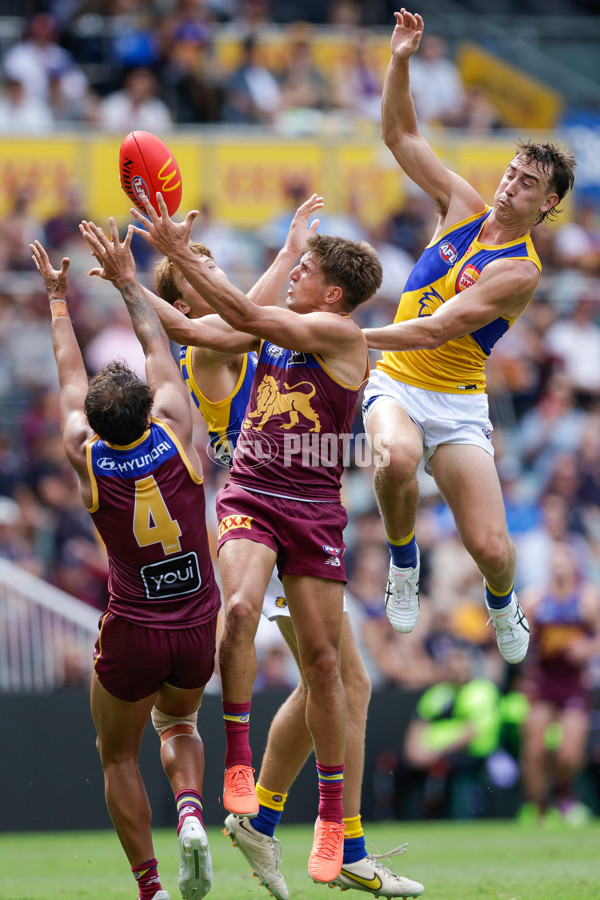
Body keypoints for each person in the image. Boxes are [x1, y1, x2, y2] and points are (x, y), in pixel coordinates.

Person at [89, 196, 423, 897]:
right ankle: (280, 806)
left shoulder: (301, 327)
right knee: (270, 635)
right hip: (250, 490)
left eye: (304, 267)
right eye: (207, 265)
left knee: (331, 673)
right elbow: (213, 317)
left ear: (327, 292)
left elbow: (237, 310)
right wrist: (138, 272)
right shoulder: (240, 334)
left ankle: (309, 824)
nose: (288, 270)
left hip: (309, 502)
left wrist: (161, 266)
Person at [361, 10, 576, 665]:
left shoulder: (519, 271)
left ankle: (504, 604)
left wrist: (344, 337)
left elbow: (440, 328)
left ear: (546, 205)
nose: (510, 185)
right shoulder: (461, 205)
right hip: (396, 384)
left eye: (527, 184)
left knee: (492, 549)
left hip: (457, 404)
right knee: (394, 459)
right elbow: (400, 134)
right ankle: (405, 566)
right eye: (511, 172)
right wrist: (399, 59)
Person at [30, 225, 222, 900]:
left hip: (133, 629)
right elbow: (156, 343)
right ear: (147, 406)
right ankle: (193, 814)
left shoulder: (87, 455)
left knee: (115, 754)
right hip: (199, 623)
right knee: (181, 724)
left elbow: (68, 374)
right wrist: (125, 277)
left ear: (95, 417)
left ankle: (151, 889)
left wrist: (59, 301)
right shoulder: (176, 430)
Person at [519, 541, 600, 823]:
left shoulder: (587, 598)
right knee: (535, 749)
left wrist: (587, 649)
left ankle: (564, 793)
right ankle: (539, 807)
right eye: (553, 559)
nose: (558, 564)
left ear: (573, 563)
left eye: (563, 558)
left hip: (573, 682)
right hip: (543, 680)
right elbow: (518, 636)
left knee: (569, 755)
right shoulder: (535, 598)